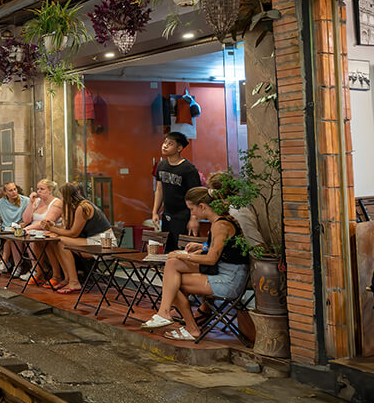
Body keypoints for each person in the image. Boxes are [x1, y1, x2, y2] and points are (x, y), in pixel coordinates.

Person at [141, 186, 250, 341]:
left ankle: (175, 319)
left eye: (192, 209)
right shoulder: (219, 223)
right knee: (172, 278)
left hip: (229, 280)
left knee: (173, 274)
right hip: (223, 272)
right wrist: (201, 247)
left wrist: (184, 256)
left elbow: (212, 258)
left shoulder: (220, 225)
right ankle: (176, 319)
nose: (192, 214)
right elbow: (222, 248)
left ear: (203, 206)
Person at [41, 182, 114, 293]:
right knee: (54, 240)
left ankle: (74, 282)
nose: (60, 198)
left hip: (104, 243)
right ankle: (67, 278)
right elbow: (67, 228)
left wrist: (52, 229)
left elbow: (73, 233)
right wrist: (53, 226)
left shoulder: (83, 207)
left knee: (61, 241)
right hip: (92, 239)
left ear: (67, 196)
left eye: (61, 195)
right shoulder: (73, 207)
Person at [152, 131, 201, 253]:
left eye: (170, 143)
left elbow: (196, 195)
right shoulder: (161, 166)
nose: (165, 145)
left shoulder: (189, 169)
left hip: (183, 215)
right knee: (168, 251)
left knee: (184, 251)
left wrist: (194, 218)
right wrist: (155, 212)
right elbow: (159, 190)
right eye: (164, 142)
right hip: (167, 214)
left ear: (179, 148)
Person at [10, 179, 64, 284]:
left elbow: (45, 222)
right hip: (32, 229)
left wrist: (26, 229)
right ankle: (22, 268)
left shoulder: (57, 202)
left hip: (47, 230)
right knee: (15, 239)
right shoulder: (37, 201)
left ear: (50, 190)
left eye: (42, 189)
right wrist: (31, 203)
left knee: (32, 238)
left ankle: (38, 270)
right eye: (38, 189)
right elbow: (26, 219)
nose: (38, 191)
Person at [0, 182, 32, 275]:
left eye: (15, 189)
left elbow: (29, 219)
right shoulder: (1, 202)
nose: (14, 192)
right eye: (10, 190)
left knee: (9, 239)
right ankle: (3, 261)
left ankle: (4, 263)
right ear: (5, 193)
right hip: (5, 230)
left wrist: (19, 226)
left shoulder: (26, 201)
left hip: (18, 229)